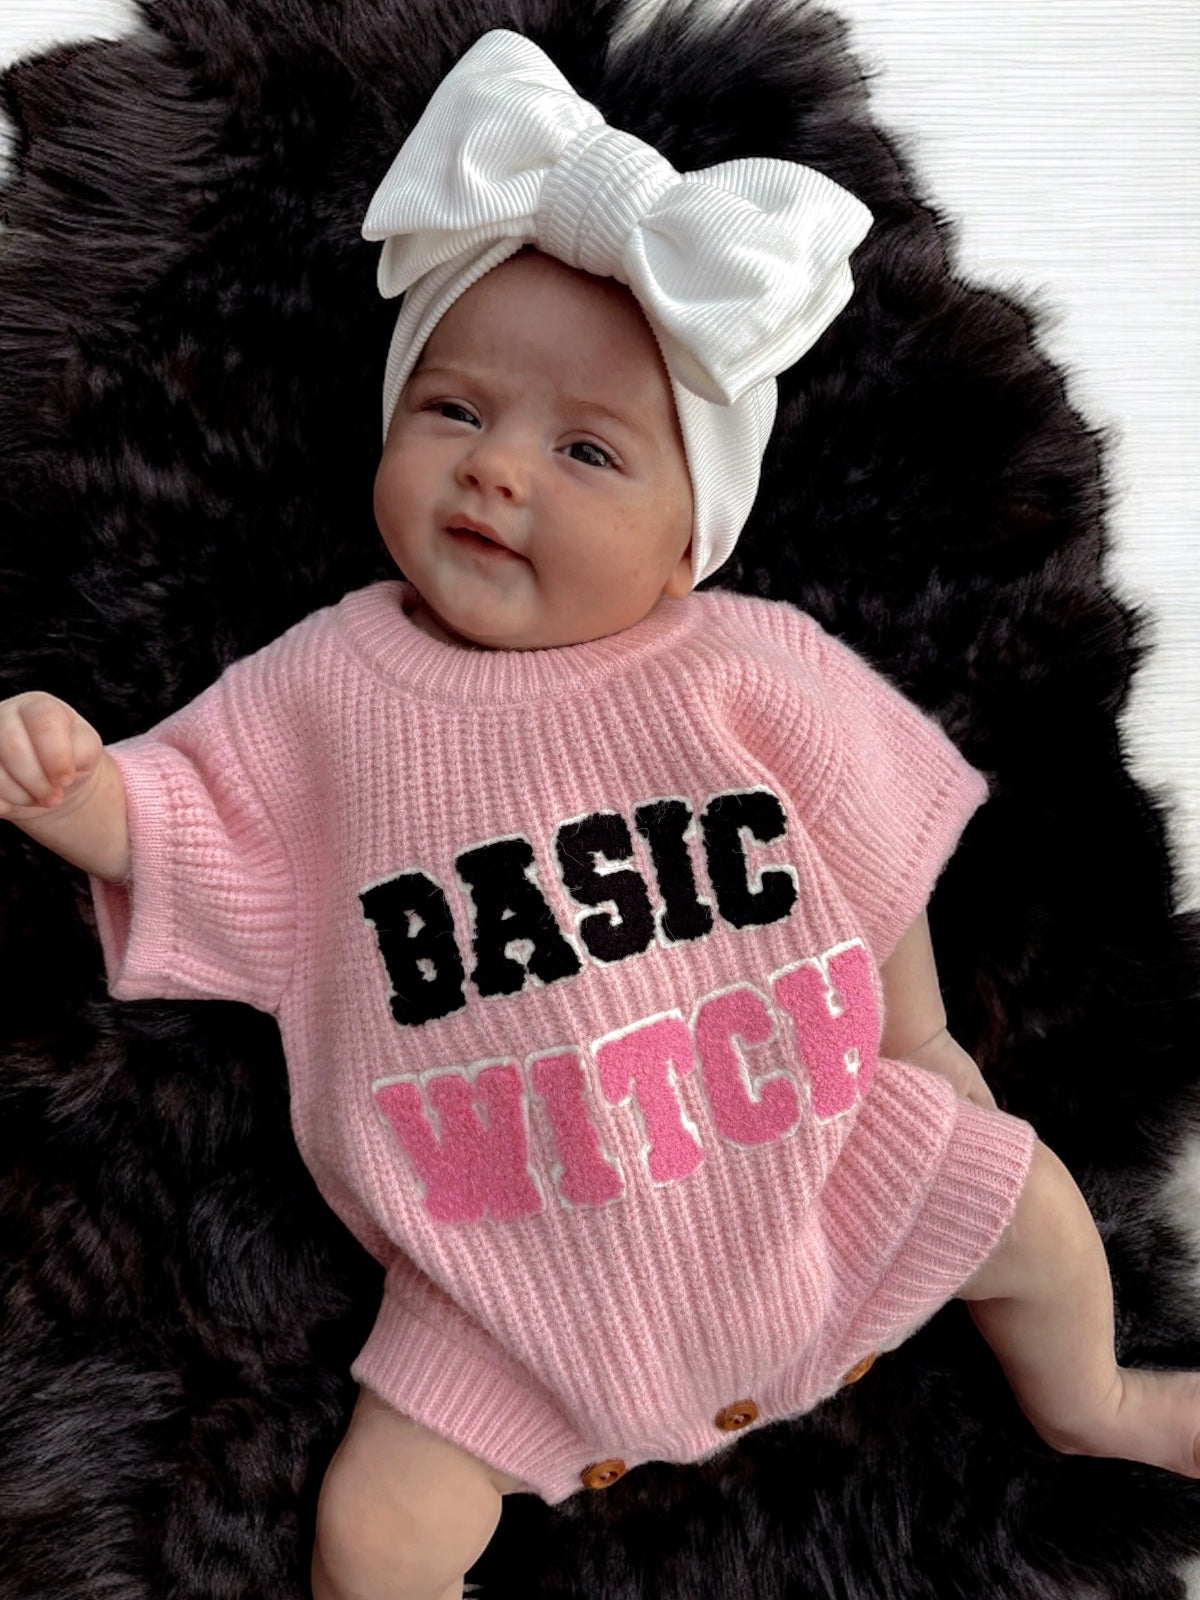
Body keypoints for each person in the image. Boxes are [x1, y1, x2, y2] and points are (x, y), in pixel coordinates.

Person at [1, 28, 1198, 1600]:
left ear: (690, 537)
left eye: (583, 450)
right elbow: (195, 829)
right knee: (380, 1527)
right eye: (452, 409)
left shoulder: (755, 670)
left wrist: (915, 1050)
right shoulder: (327, 692)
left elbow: (875, 843)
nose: (499, 474)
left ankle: (1097, 1400)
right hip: (502, 1289)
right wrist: (83, 793)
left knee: (1028, 1208)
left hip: (812, 1170)